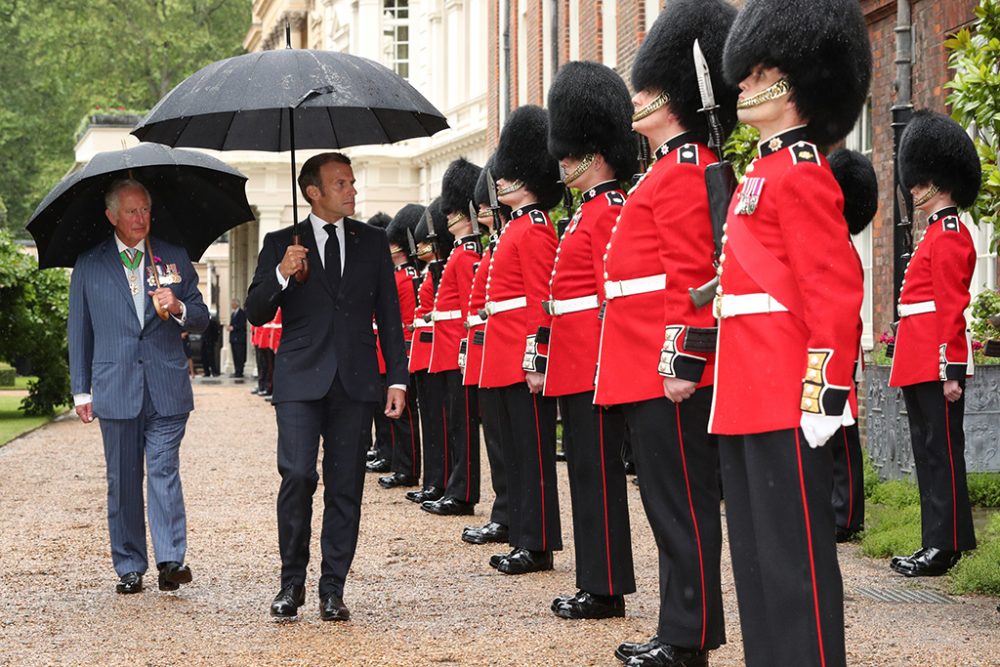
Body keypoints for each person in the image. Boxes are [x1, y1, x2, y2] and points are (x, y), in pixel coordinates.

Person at [711, 1, 870, 665]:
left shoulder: (802, 171)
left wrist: (822, 394)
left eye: (758, 73)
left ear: (791, 84)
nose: (743, 84)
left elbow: (834, 290)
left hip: (786, 395)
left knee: (795, 565)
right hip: (746, 391)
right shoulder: (761, 170)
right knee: (755, 563)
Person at [596, 2, 737, 662]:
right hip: (643, 363)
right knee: (666, 506)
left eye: (650, 89)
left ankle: (689, 637)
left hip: (668, 368)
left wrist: (685, 359)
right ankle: (679, 624)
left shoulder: (684, 170)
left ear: (675, 97)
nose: (639, 97)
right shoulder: (662, 169)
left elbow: (693, 275)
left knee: (682, 506)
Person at [245, 152, 408, 622]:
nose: (352, 190)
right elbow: (257, 310)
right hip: (300, 378)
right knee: (297, 476)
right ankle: (290, 583)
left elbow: (390, 319)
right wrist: (281, 272)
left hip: (357, 381)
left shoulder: (373, 241)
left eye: (352, 182)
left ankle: (333, 587)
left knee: (346, 487)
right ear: (313, 192)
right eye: (341, 184)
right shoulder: (281, 241)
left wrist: (396, 377)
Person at [68, 178, 209, 595]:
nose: (140, 218)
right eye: (130, 211)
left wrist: (178, 305)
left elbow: (201, 316)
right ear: (112, 216)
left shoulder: (174, 257)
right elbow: (80, 330)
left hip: (166, 384)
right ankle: (130, 564)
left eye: (145, 209)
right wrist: (81, 389)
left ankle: (170, 560)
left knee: (164, 469)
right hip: (115, 387)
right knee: (124, 479)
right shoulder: (89, 264)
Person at [542, 60, 637, 622]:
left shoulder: (609, 210)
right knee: (584, 474)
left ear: (594, 151)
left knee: (598, 478)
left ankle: (605, 588)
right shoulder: (584, 212)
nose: (562, 160)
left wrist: (607, 365)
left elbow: (610, 298)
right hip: (577, 363)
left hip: (595, 364)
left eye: (571, 150)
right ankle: (594, 579)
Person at [888, 110, 980, 577]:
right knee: (932, 452)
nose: (913, 188)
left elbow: (951, 307)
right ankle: (951, 538)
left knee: (939, 452)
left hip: (935, 361)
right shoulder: (933, 232)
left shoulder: (948, 234)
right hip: (919, 356)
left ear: (938, 181)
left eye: (920, 180)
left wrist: (952, 370)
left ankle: (940, 547)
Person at [479, 105, 564, 575]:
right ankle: (522, 533)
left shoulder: (533, 228)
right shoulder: (515, 227)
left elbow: (540, 299)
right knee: (516, 453)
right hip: (503, 354)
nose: (501, 180)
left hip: (520, 355)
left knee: (532, 457)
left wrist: (537, 355)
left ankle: (537, 543)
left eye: (509, 174)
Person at [422, 158, 484, 517]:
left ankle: (462, 492)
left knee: (461, 427)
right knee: (453, 426)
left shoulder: (468, 254)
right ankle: (454, 486)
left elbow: (468, 311)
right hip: (445, 352)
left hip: (457, 352)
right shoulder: (460, 253)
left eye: (455, 211)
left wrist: (464, 351)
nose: (448, 218)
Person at [827, 149, 879, 543]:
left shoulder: (838, 247)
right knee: (834, 435)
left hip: (841, 350)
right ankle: (840, 510)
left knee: (843, 436)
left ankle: (847, 515)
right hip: (838, 347)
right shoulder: (834, 243)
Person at [460, 157, 512, 546]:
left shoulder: (517, 234)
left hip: (507, 351)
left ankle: (509, 515)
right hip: (490, 348)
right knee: (496, 440)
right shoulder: (498, 241)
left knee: (508, 445)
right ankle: (504, 512)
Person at [403, 202, 452, 502]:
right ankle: (433, 480)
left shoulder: (444, 266)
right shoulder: (428, 270)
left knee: (441, 423)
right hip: (426, 350)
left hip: (441, 348)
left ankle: (443, 482)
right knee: (431, 421)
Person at [376, 205, 425, 489]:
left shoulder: (403, 279)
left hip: (402, 351)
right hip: (392, 351)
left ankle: (407, 468)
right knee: (396, 413)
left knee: (404, 415)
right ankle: (399, 462)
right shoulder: (401, 277)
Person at [228, 299, 247, 378]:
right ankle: (236, 371)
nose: (231, 305)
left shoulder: (241, 313)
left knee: (239, 355)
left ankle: (240, 371)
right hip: (233, 338)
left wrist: (234, 327)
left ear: (236, 304)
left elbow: (242, 325)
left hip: (239, 338)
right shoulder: (233, 314)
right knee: (235, 355)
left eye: (233, 304)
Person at [200, 311, 220, 377]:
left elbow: (216, 332)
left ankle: (214, 371)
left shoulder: (212, 323)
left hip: (210, 342)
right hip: (204, 342)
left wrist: (214, 340)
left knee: (211, 358)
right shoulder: (203, 323)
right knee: (204, 357)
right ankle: (206, 372)